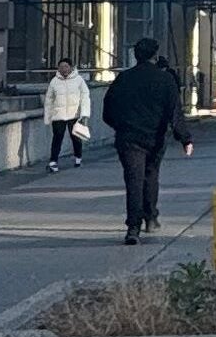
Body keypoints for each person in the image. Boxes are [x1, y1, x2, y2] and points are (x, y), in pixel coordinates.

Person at [100, 39, 193, 245]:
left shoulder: (123, 79)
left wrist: (120, 126)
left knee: (133, 180)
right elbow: (175, 112)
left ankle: (133, 227)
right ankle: (150, 217)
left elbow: (107, 110)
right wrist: (184, 138)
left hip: (128, 137)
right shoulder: (165, 80)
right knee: (151, 176)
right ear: (155, 56)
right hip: (155, 137)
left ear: (135, 55)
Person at [41, 58, 91, 172]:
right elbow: (49, 100)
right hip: (58, 115)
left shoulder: (79, 80)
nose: (64, 69)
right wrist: (48, 117)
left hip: (74, 114)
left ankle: (78, 158)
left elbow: (85, 98)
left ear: (71, 67)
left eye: (66, 66)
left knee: (76, 138)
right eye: (61, 66)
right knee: (57, 138)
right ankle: (53, 161)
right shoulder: (54, 81)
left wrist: (84, 114)